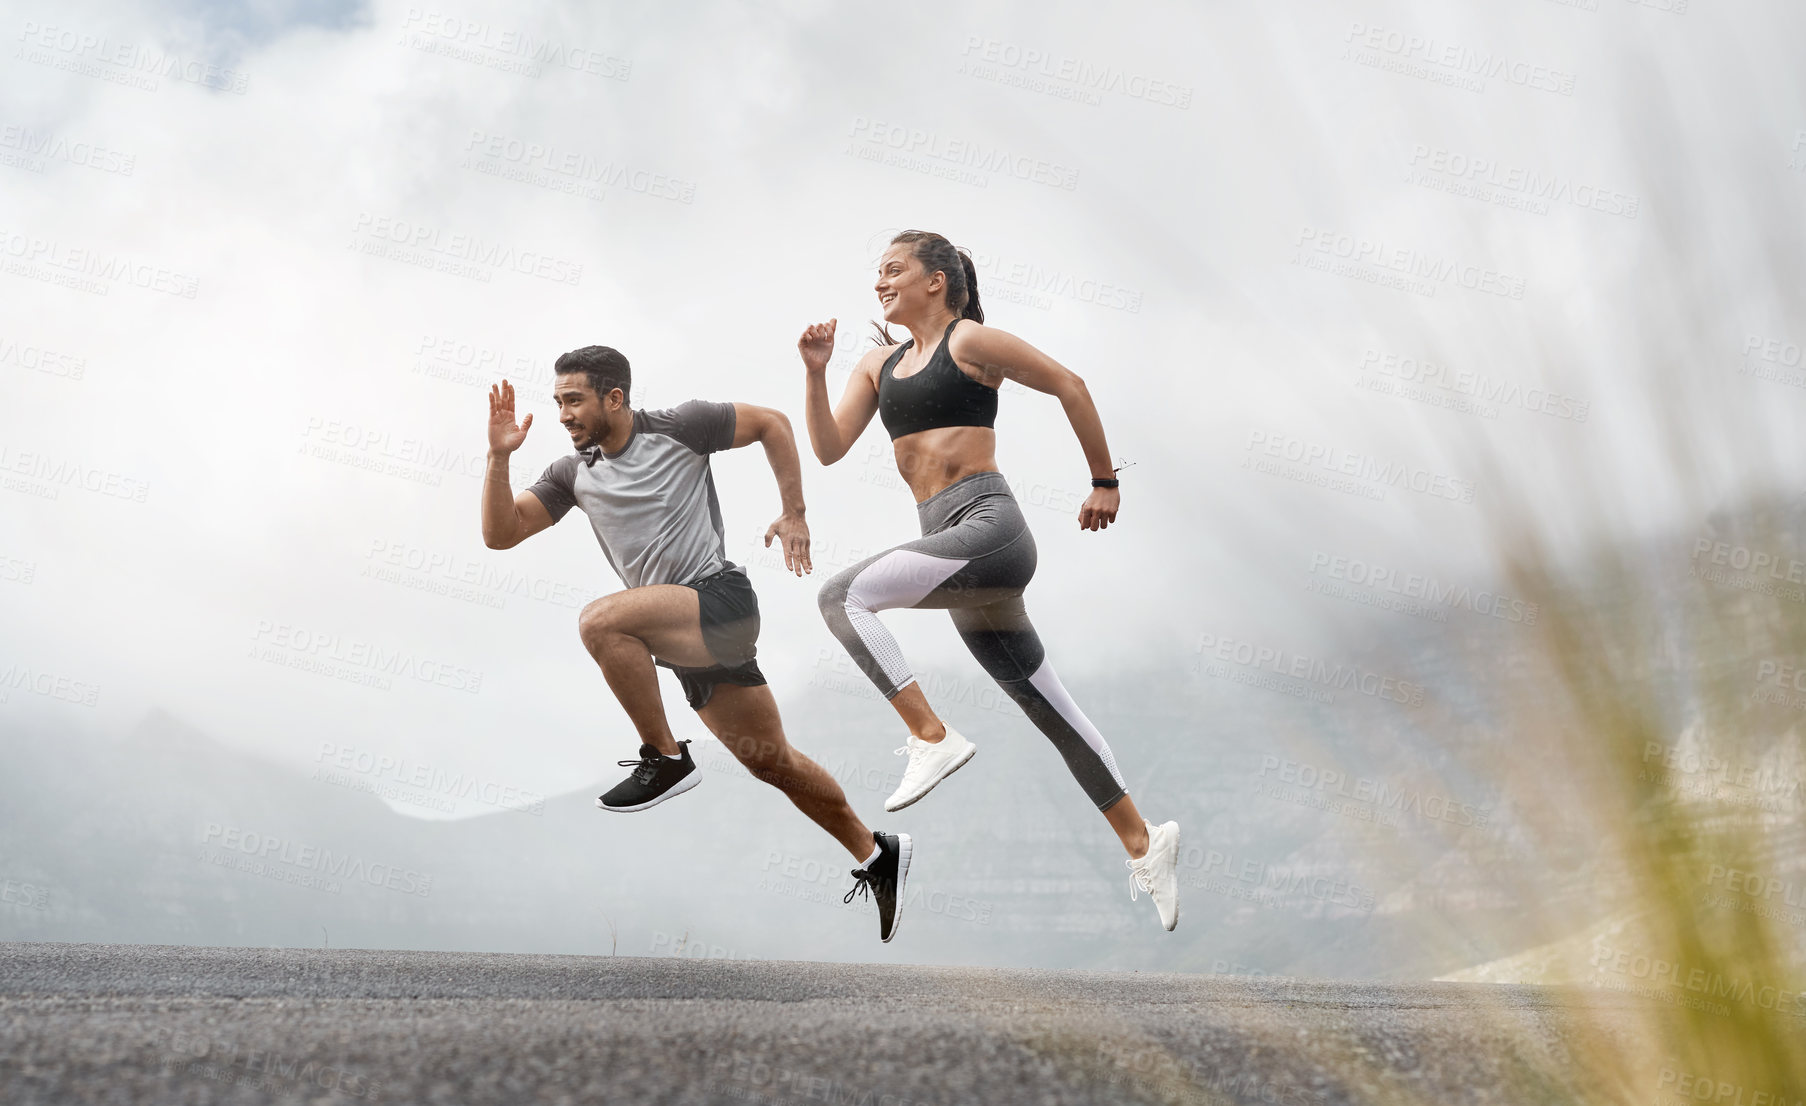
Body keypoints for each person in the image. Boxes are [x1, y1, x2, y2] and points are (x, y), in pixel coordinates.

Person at [796, 230, 1179, 932]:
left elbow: (1071, 384)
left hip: (989, 530)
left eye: (894, 269)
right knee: (1049, 710)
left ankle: (930, 735)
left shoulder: (970, 343)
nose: (880, 281)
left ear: (935, 280)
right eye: (876, 271)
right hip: (956, 550)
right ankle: (1143, 841)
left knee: (841, 595)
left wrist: (1104, 482)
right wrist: (817, 372)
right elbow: (826, 449)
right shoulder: (878, 364)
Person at [481, 347, 911, 941]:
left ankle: (665, 757)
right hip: (681, 636)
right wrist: (498, 458)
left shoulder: (681, 426)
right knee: (772, 763)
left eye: (574, 400)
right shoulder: (571, 474)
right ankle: (875, 853)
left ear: (615, 398)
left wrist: (794, 512)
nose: (563, 415)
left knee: (600, 623)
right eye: (557, 402)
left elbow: (773, 424)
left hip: (719, 599)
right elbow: (501, 535)